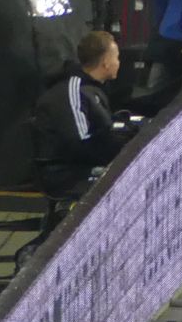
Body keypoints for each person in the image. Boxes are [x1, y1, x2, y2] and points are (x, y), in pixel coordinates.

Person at [31, 30, 131, 199]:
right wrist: (122, 148)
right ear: (106, 62)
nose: (118, 63)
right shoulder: (75, 91)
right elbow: (81, 144)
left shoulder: (92, 88)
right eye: (117, 57)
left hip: (80, 165)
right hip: (65, 174)